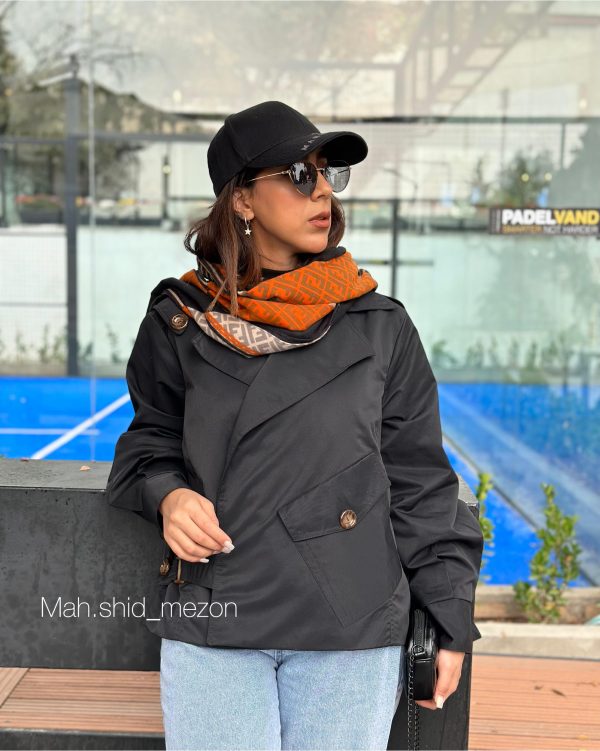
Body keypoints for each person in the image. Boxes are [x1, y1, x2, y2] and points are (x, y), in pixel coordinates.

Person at [105, 100, 484, 751]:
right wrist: (169, 494)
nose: (323, 193)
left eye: (328, 174)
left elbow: (420, 480)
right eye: (299, 175)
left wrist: (449, 615)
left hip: (349, 622)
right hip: (216, 614)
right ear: (243, 199)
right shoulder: (180, 319)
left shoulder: (381, 326)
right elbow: (151, 439)